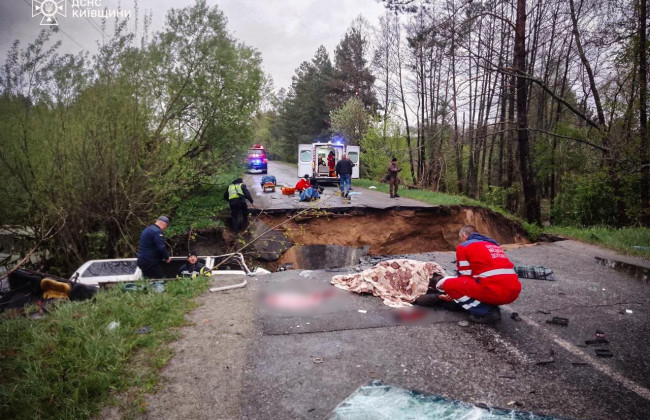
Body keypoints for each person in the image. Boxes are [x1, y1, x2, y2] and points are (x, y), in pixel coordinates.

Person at [434, 225, 521, 323]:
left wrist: (453, 292)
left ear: (463, 236)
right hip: (513, 292)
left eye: (460, 239)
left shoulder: (464, 246)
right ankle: (486, 303)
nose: (461, 241)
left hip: (496, 293)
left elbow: (464, 276)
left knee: (449, 284)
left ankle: (487, 311)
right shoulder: (493, 245)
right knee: (476, 281)